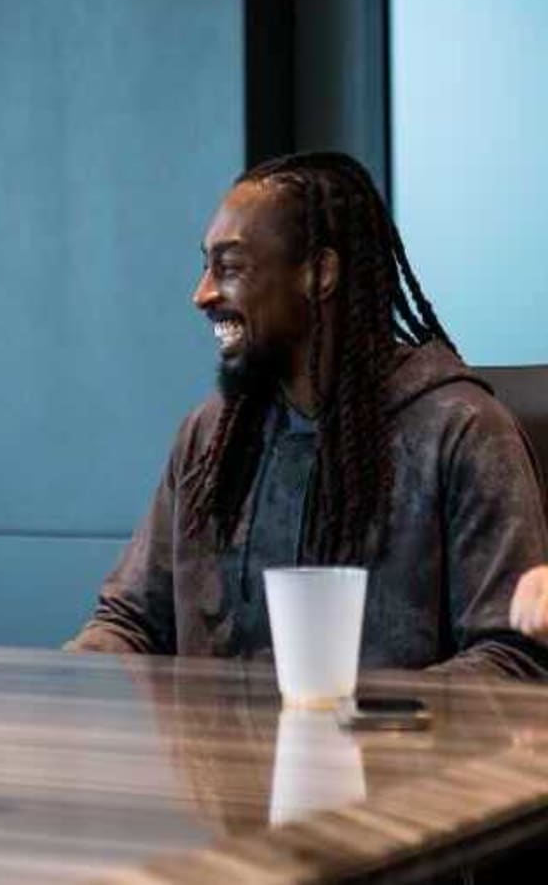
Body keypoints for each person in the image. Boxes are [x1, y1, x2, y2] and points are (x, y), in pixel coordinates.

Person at [68, 151, 548, 678]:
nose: (202, 293)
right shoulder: (209, 435)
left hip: (395, 758)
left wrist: (366, 720)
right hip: (218, 759)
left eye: (230, 268)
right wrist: (70, 677)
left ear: (320, 273)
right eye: (206, 265)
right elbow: (132, 619)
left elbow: (513, 658)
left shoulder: (461, 429)